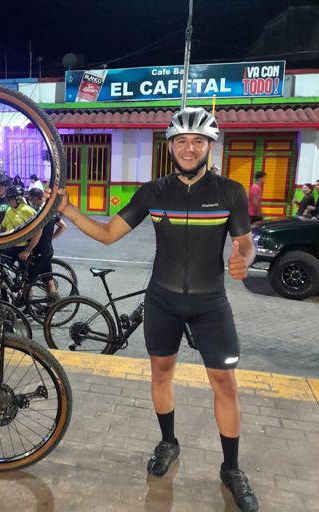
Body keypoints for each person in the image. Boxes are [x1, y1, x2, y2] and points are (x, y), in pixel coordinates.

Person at [48, 107, 258, 512]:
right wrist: (69, 210)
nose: (189, 148)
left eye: (198, 141)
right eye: (182, 141)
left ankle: (231, 469)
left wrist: (243, 259)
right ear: (171, 146)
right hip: (162, 300)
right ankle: (168, 442)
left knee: (225, 383)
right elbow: (108, 234)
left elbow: (245, 242)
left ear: (210, 146)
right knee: (161, 373)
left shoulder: (230, 192)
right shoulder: (154, 192)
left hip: (210, 302)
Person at [27, 187, 67, 293]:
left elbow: (38, 233)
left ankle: (25, 302)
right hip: (48, 250)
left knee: (28, 280)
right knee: (48, 279)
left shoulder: (40, 213)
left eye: (30, 199)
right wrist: (50, 238)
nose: (30, 202)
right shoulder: (50, 210)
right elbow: (63, 226)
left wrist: (27, 251)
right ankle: (54, 300)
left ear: (36, 199)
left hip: (40, 251)